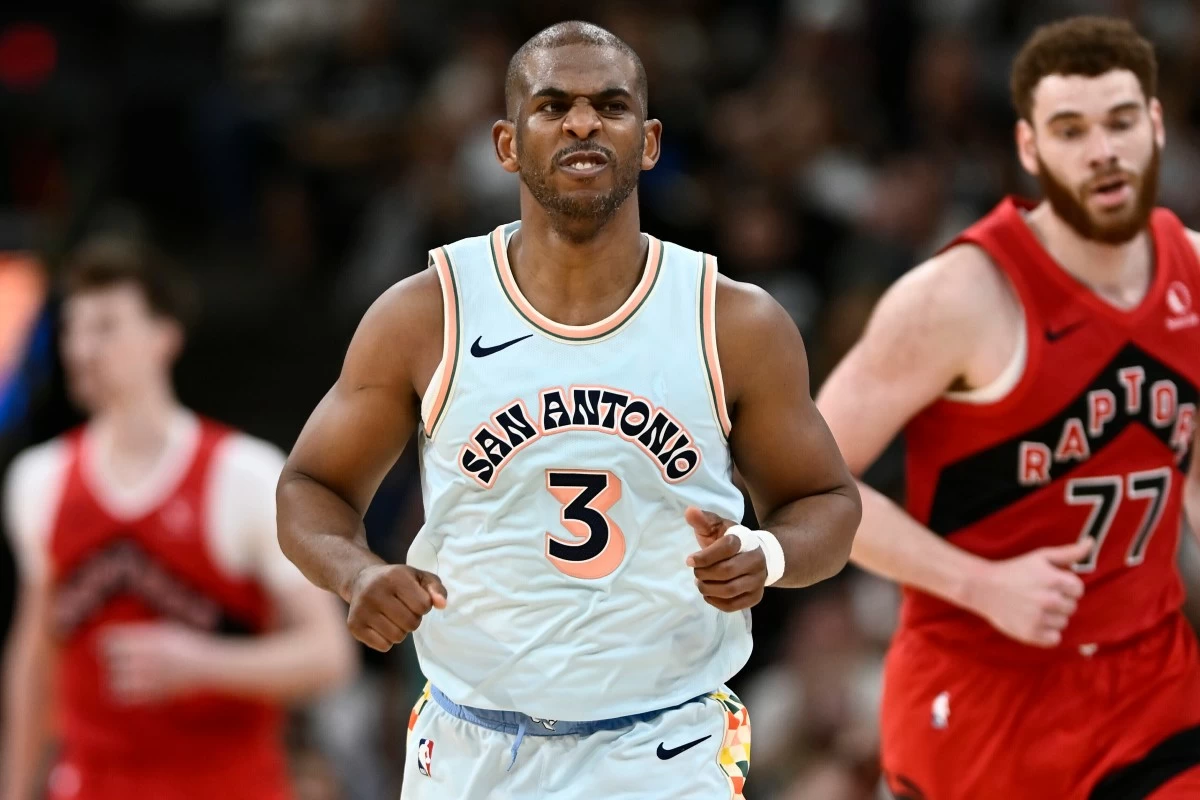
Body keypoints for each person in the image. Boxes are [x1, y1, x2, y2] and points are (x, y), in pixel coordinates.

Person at [276, 20, 860, 800]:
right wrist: (356, 574)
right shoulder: (427, 313)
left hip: (666, 744)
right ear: (507, 144)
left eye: (609, 106)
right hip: (471, 741)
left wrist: (769, 555)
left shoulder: (732, 321)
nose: (583, 122)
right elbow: (309, 488)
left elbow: (828, 503)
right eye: (552, 106)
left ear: (649, 141)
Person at [816, 16, 1200, 800]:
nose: (1102, 151)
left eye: (1121, 122)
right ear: (1030, 148)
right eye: (1071, 129)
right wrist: (978, 584)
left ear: (1156, 126)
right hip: (983, 690)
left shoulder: (1196, 271)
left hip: (1149, 684)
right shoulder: (962, 295)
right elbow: (806, 482)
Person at [1, 236, 357, 800]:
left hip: (227, 784)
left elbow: (328, 657)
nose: (81, 348)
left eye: (105, 326)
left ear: (163, 337)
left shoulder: (244, 476)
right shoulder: (38, 480)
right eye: (72, 328)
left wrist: (203, 663)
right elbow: (32, 659)